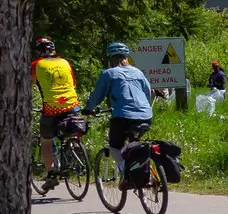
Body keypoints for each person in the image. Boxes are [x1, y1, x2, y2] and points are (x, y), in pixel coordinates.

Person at [84, 42, 155, 174]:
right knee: (135, 145)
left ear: (110, 57)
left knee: (115, 146)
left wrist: (88, 108)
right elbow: (147, 93)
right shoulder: (138, 72)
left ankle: (124, 170)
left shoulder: (109, 74)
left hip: (123, 116)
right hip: (146, 115)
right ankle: (140, 171)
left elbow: (97, 96)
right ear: (126, 56)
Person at [30, 36, 83, 191]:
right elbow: (73, 83)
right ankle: (72, 147)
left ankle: (52, 174)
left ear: (39, 52)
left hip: (52, 108)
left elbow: (28, 83)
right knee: (71, 129)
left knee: (46, 141)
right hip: (72, 105)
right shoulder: (65, 62)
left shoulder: (36, 65)